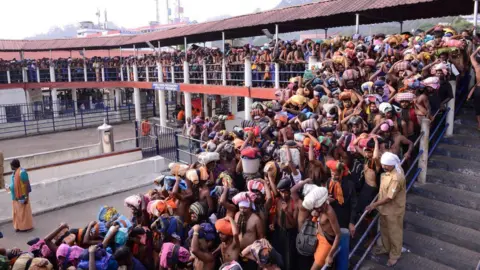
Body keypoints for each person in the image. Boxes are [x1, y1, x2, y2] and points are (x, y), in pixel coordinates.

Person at [366, 152, 406, 267]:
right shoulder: (389, 171)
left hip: (393, 210)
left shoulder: (396, 178)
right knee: (384, 229)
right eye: (383, 165)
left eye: (386, 165)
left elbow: (389, 197)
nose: (384, 167)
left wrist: (374, 205)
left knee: (394, 233)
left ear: (392, 164)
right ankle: (386, 247)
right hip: (384, 209)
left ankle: (395, 254)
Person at [7, 159, 33, 232]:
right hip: (15, 197)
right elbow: (14, 184)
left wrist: (26, 198)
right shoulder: (14, 173)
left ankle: (26, 227)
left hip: (22, 197)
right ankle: (18, 227)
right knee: (17, 213)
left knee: (24, 214)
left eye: (11, 165)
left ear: (14, 166)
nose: (10, 167)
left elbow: (26, 186)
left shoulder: (22, 173)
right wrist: (10, 187)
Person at [468, 46, 480, 130]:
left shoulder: (477, 67)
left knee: (478, 108)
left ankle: (479, 125)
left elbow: (471, 56)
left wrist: (478, 49)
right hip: (478, 89)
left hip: (478, 89)